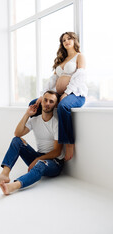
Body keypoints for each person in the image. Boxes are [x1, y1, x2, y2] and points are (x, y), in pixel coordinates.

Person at [0, 91, 65, 195]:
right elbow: (17, 133)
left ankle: (13, 186)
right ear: (41, 102)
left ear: (55, 105)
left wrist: (37, 160)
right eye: (45, 100)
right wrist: (27, 114)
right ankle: (4, 174)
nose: (47, 103)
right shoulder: (35, 120)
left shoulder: (56, 124)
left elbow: (57, 152)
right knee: (17, 140)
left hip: (54, 162)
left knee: (41, 164)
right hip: (38, 156)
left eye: (51, 102)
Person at [30, 32, 88, 161]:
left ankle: (68, 143)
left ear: (74, 40)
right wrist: (42, 95)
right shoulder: (61, 60)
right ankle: (46, 139)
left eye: (69, 39)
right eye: (63, 40)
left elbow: (80, 77)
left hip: (75, 93)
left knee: (63, 106)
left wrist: (67, 92)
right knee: (34, 103)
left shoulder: (79, 56)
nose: (66, 41)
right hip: (60, 94)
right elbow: (52, 80)